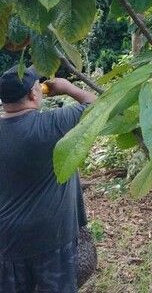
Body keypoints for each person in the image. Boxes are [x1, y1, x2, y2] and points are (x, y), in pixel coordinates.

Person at [0, 65, 97, 293]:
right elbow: (99, 107)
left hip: (7, 241)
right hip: (51, 238)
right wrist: (67, 87)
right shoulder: (53, 124)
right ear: (35, 93)